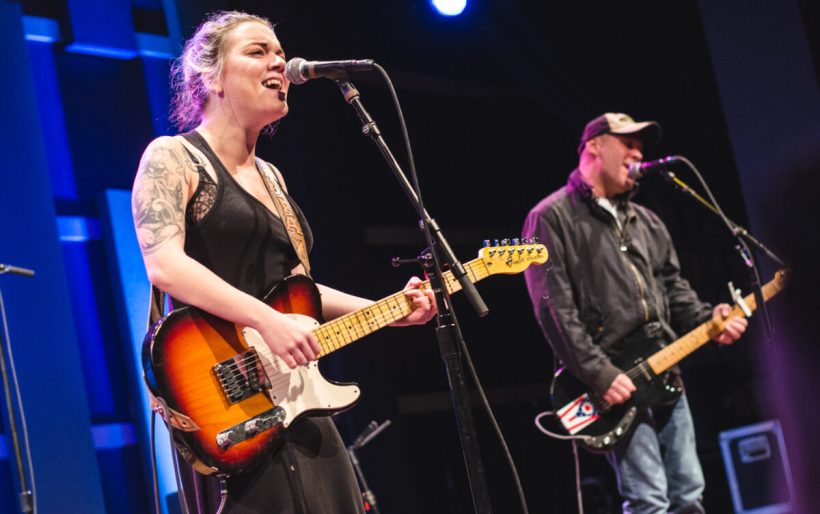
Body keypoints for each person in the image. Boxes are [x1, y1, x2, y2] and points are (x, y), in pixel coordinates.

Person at [131, 11, 436, 513]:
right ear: (210, 76)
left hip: (295, 396)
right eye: (258, 52)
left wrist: (388, 307)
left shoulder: (273, 178)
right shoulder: (173, 157)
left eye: (279, 51)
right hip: (224, 404)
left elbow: (301, 288)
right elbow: (164, 264)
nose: (279, 62)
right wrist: (265, 320)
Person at [522, 113, 748, 513]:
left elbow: (674, 290)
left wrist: (709, 320)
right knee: (649, 499)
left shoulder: (648, 222)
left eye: (641, 145)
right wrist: (599, 373)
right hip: (615, 379)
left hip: (665, 366)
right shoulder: (551, 218)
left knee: (690, 494)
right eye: (628, 142)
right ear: (594, 146)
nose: (638, 153)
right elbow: (553, 308)